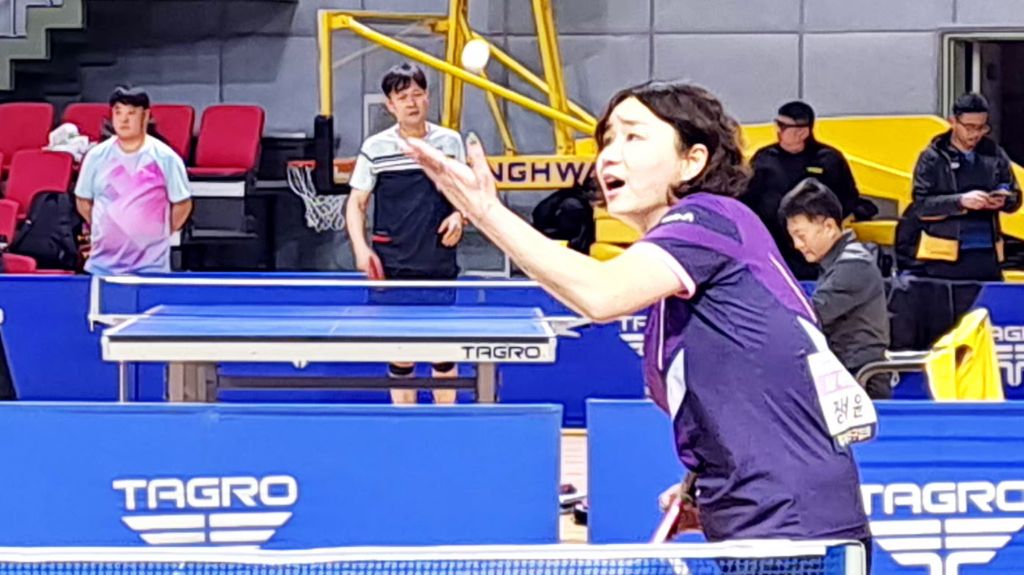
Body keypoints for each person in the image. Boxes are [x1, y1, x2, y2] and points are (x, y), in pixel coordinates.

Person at [402, 81, 876, 568]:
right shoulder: (680, 286)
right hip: (758, 525)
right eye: (607, 140)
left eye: (633, 136)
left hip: (793, 533)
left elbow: (600, 294)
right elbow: (749, 395)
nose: (609, 155)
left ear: (692, 161)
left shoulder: (709, 218)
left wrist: (485, 211)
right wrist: (708, 489)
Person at [345, 62, 467, 405]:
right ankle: (405, 423)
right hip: (392, 264)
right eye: (402, 97)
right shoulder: (375, 147)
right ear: (390, 105)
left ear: (427, 97)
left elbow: (466, 195)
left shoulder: (449, 142)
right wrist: (360, 249)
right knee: (401, 356)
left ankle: (445, 424)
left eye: (417, 94)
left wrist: (459, 215)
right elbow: (356, 203)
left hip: (437, 260)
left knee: (442, 356)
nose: (411, 102)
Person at [780, 178, 892, 400]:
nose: (797, 245)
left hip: (859, 382)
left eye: (801, 236)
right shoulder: (834, 263)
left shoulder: (854, 264)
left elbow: (811, 316)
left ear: (829, 227)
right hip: (842, 377)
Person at [896, 92, 1021, 281]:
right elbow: (921, 205)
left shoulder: (993, 153)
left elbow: (1014, 195)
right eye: (969, 127)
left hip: (987, 255)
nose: (975, 134)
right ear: (953, 122)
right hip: (944, 258)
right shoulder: (933, 157)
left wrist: (1004, 199)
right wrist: (960, 202)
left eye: (982, 127)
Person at [74, 87, 193, 276]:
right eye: (118, 113)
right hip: (102, 266)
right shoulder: (96, 156)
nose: (124, 120)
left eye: (131, 113)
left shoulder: (166, 158)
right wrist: (103, 226)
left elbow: (182, 204)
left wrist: (158, 231)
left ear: (145, 116)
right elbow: (83, 200)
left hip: (151, 267)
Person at [743, 101, 860, 280]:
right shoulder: (764, 158)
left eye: (783, 126)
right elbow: (747, 199)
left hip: (816, 251)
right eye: (777, 124)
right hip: (774, 246)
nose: (778, 130)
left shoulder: (828, 159)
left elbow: (848, 198)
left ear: (803, 132)